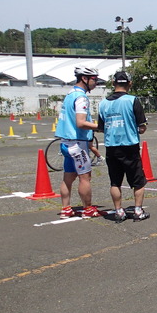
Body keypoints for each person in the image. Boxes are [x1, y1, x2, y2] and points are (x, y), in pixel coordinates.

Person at [97, 71, 149, 222]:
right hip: (129, 145)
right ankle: (138, 211)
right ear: (129, 84)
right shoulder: (132, 100)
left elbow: (101, 127)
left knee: (115, 182)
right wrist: (138, 129)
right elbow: (142, 126)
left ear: (113, 84)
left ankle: (119, 211)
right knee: (138, 181)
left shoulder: (103, 103)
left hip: (111, 146)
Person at [55, 66, 102, 219]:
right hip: (77, 144)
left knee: (68, 177)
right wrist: (100, 127)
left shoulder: (70, 94)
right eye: (94, 79)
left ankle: (65, 208)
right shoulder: (81, 97)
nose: (96, 83)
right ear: (84, 79)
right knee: (85, 177)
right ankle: (88, 209)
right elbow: (81, 122)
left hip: (65, 142)